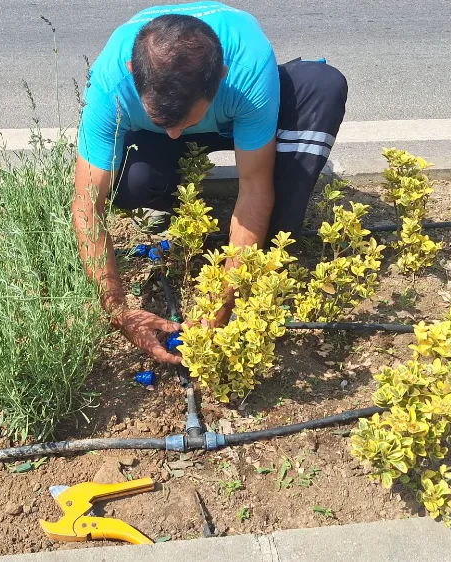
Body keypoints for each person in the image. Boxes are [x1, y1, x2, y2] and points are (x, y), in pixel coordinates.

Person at [71, 2, 348, 365]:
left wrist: (223, 300)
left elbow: (254, 188)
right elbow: (86, 204)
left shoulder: (247, 69)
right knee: (132, 185)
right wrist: (120, 311)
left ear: (221, 75)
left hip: (235, 113)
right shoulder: (111, 81)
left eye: (181, 120)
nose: (172, 132)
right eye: (162, 118)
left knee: (322, 88)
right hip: (170, 119)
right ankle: (173, 185)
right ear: (131, 72)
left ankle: (271, 221)